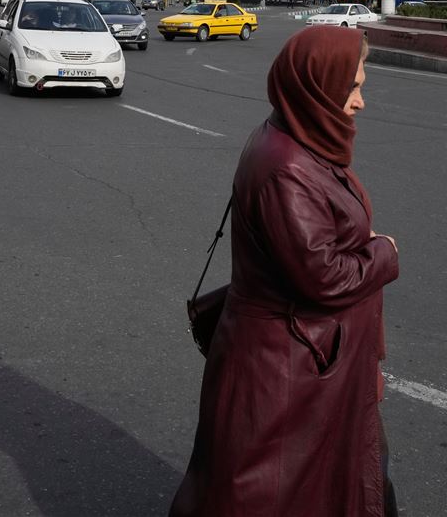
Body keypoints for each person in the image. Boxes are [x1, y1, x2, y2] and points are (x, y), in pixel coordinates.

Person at [170, 26, 400, 517]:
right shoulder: (287, 168)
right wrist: (384, 254)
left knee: (350, 475)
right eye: (352, 88)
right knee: (272, 492)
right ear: (317, 88)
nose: (360, 102)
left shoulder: (297, 137)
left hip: (309, 362)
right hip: (288, 372)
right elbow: (324, 277)